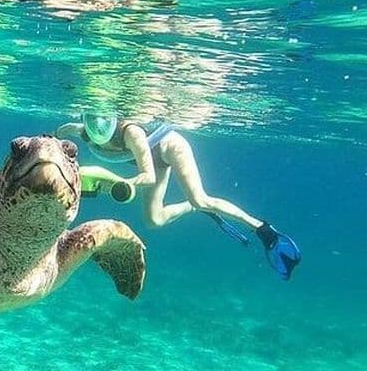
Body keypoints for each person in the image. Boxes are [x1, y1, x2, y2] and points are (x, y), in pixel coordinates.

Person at [56, 114, 302, 280]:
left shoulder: (131, 133)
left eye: (104, 123)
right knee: (155, 220)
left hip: (169, 149)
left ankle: (262, 229)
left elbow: (148, 175)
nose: (98, 128)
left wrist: (126, 185)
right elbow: (61, 134)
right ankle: (193, 207)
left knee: (201, 198)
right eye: (91, 123)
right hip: (154, 161)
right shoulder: (85, 131)